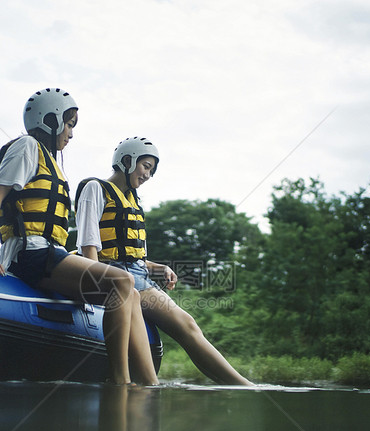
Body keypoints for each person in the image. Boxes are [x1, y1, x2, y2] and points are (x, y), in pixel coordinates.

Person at [0, 89, 158, 386]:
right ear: (49, 120)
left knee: (131, 293)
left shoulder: (49, 160)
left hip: (49, 253)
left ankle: (150, 385)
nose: (71, 133)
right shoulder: (26, 147)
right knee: (122, 282)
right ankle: (121, 381)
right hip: (29, 253)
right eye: (69, 123)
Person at [75, 137, 254, 386]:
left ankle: (241, 385)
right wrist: (97, 289)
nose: (148, 175)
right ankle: (244, 386)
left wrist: (158, 267)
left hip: (139, 274)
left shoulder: (134, 201)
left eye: (152, 170)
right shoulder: (95, 188)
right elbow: (89, 246)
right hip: (117, 275)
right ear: (127, 161)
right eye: (146, 166)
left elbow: (135, 257)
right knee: (186, 325)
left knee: (188, 324)